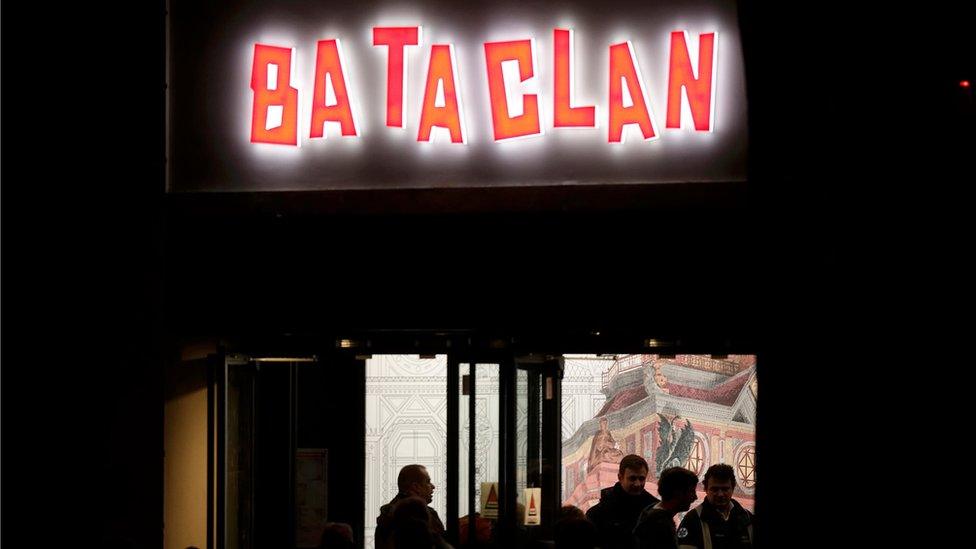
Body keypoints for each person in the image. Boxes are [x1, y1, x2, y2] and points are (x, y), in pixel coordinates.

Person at [585, 454, 659, 549]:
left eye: (641, 479)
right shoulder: (597, 513)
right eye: (632, 478)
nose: (637, 484)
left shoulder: (654, 510)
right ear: (620, 477)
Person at [676, 464, 754, 549]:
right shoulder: (692, 520)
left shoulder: (748, 518)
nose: (720, 494)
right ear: (705, 489)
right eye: (714, 489)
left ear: (733, 488)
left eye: (725, 489)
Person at [376, 464, 446, 549]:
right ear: (416, 487)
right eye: (427, 481)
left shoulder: (386, 516)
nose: (433, 486)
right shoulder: (422, 516)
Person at [633, 467, 699, 549]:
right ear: (678, 493)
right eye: (691, 491)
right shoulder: (660, 524)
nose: (695, 497)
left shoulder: (650, 511)